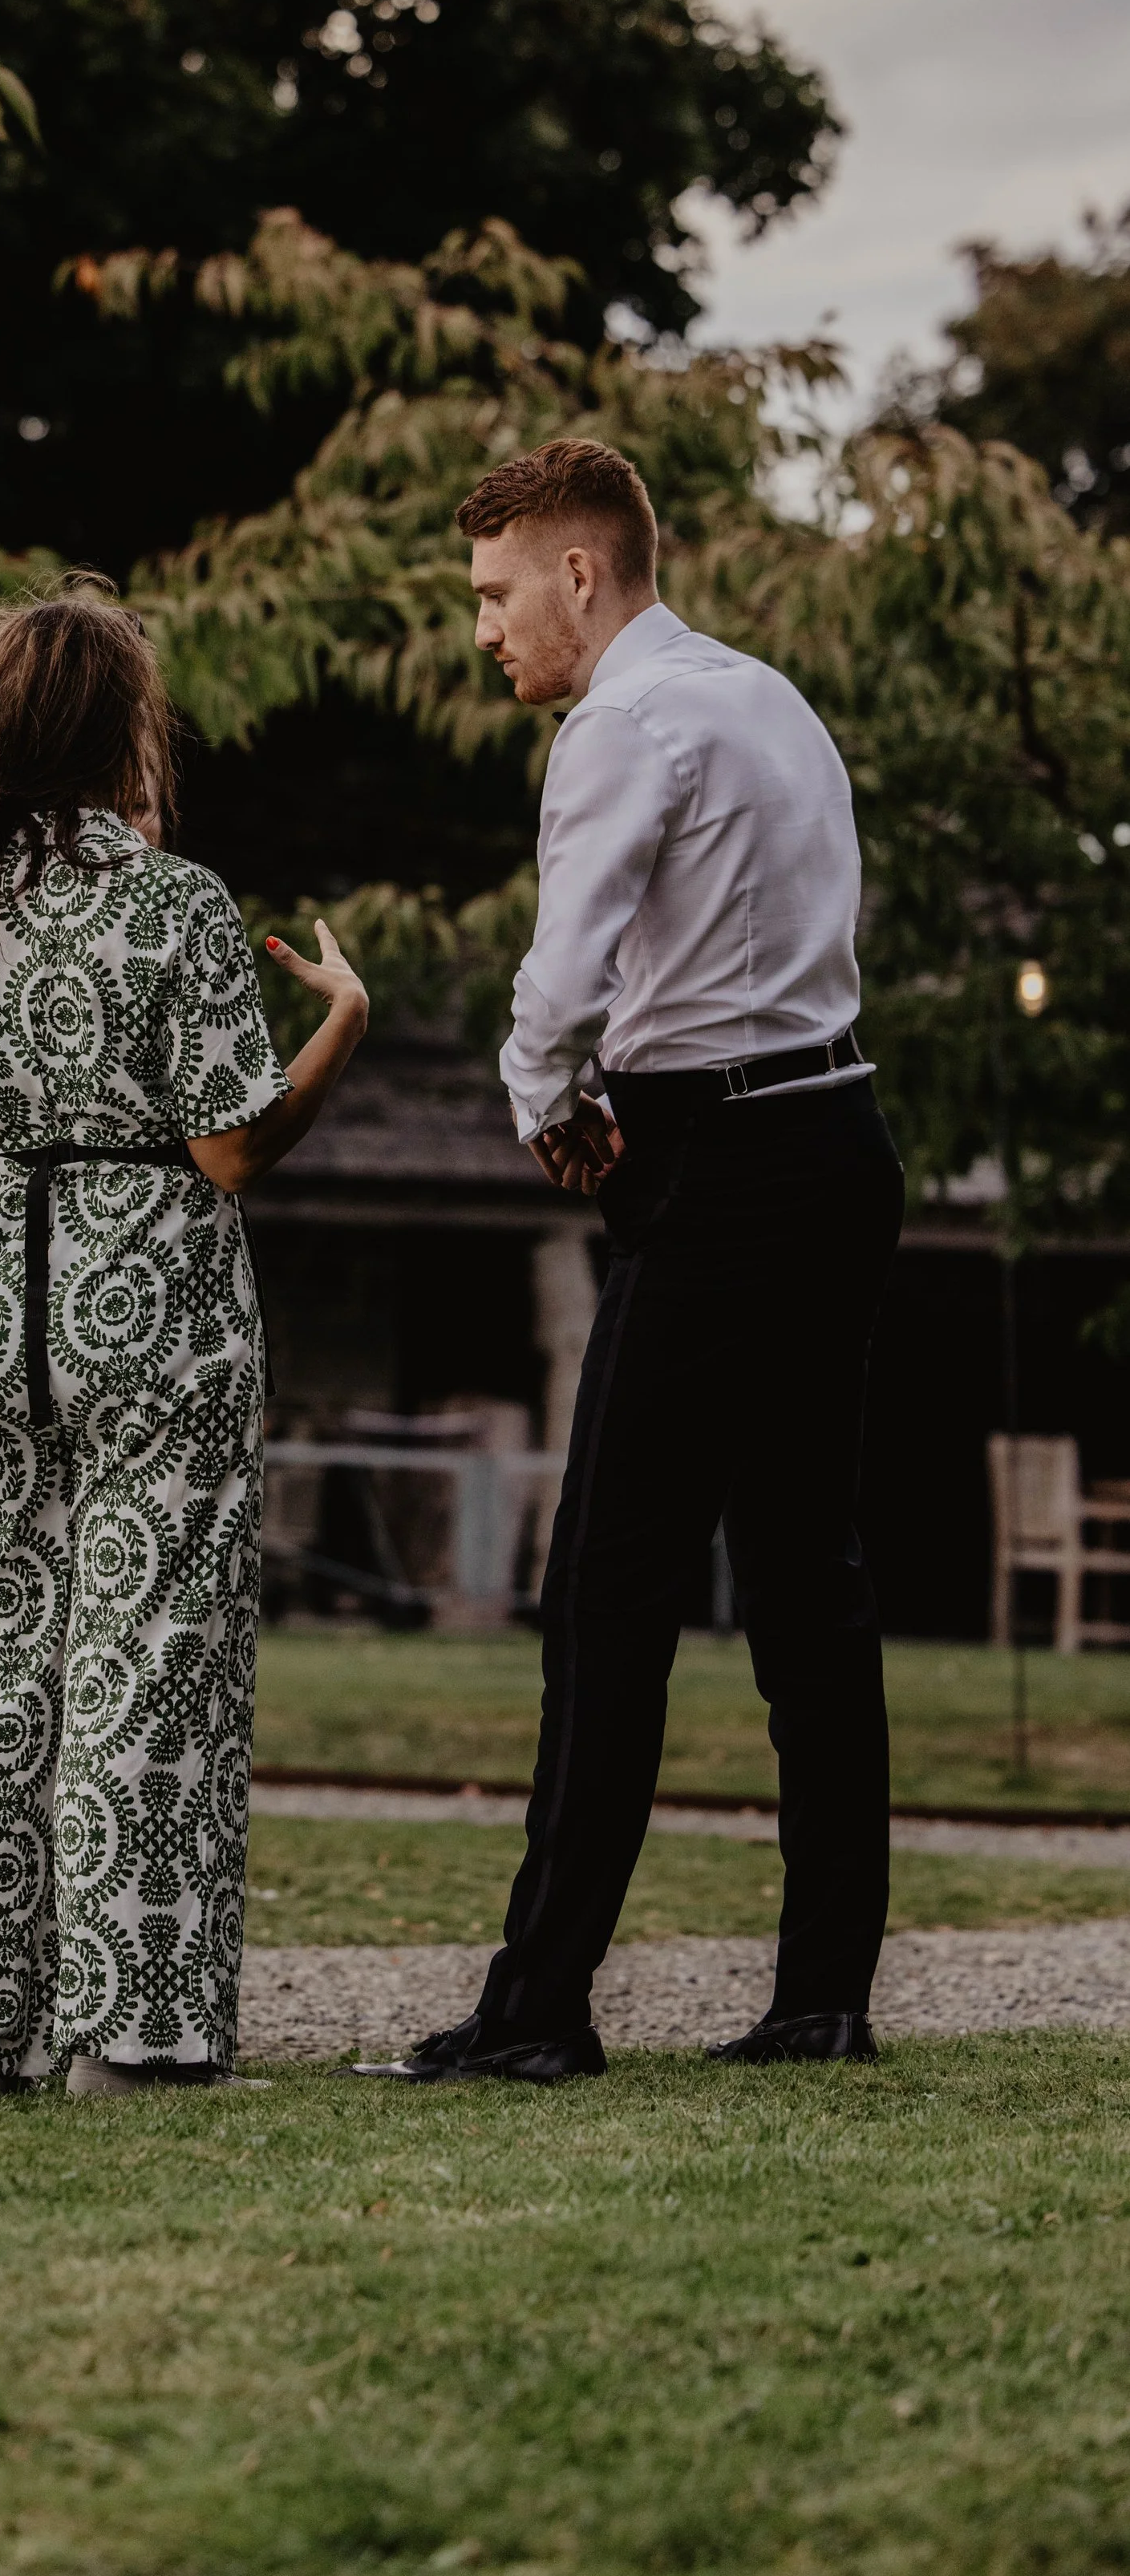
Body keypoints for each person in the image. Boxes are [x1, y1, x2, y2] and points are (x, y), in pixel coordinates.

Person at [361, 439, 903, 2088]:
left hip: (721, 1162)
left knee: (606, 1581)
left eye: (493, 594)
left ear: (580, 574)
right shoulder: (768, 698)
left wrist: (546, 1105)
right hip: (833, 1137)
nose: (481, 632)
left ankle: (536, 2006)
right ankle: (822, 1992)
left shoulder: (622, 720)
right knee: (808, 1581)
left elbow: (563, 967)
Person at [0, 580, 367, 2097]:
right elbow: (231, 1150)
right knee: (148, 1658)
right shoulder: (178, 904)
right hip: (152, 1302)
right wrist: (335, 1021)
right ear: (124, 732)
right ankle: (133, 2039)